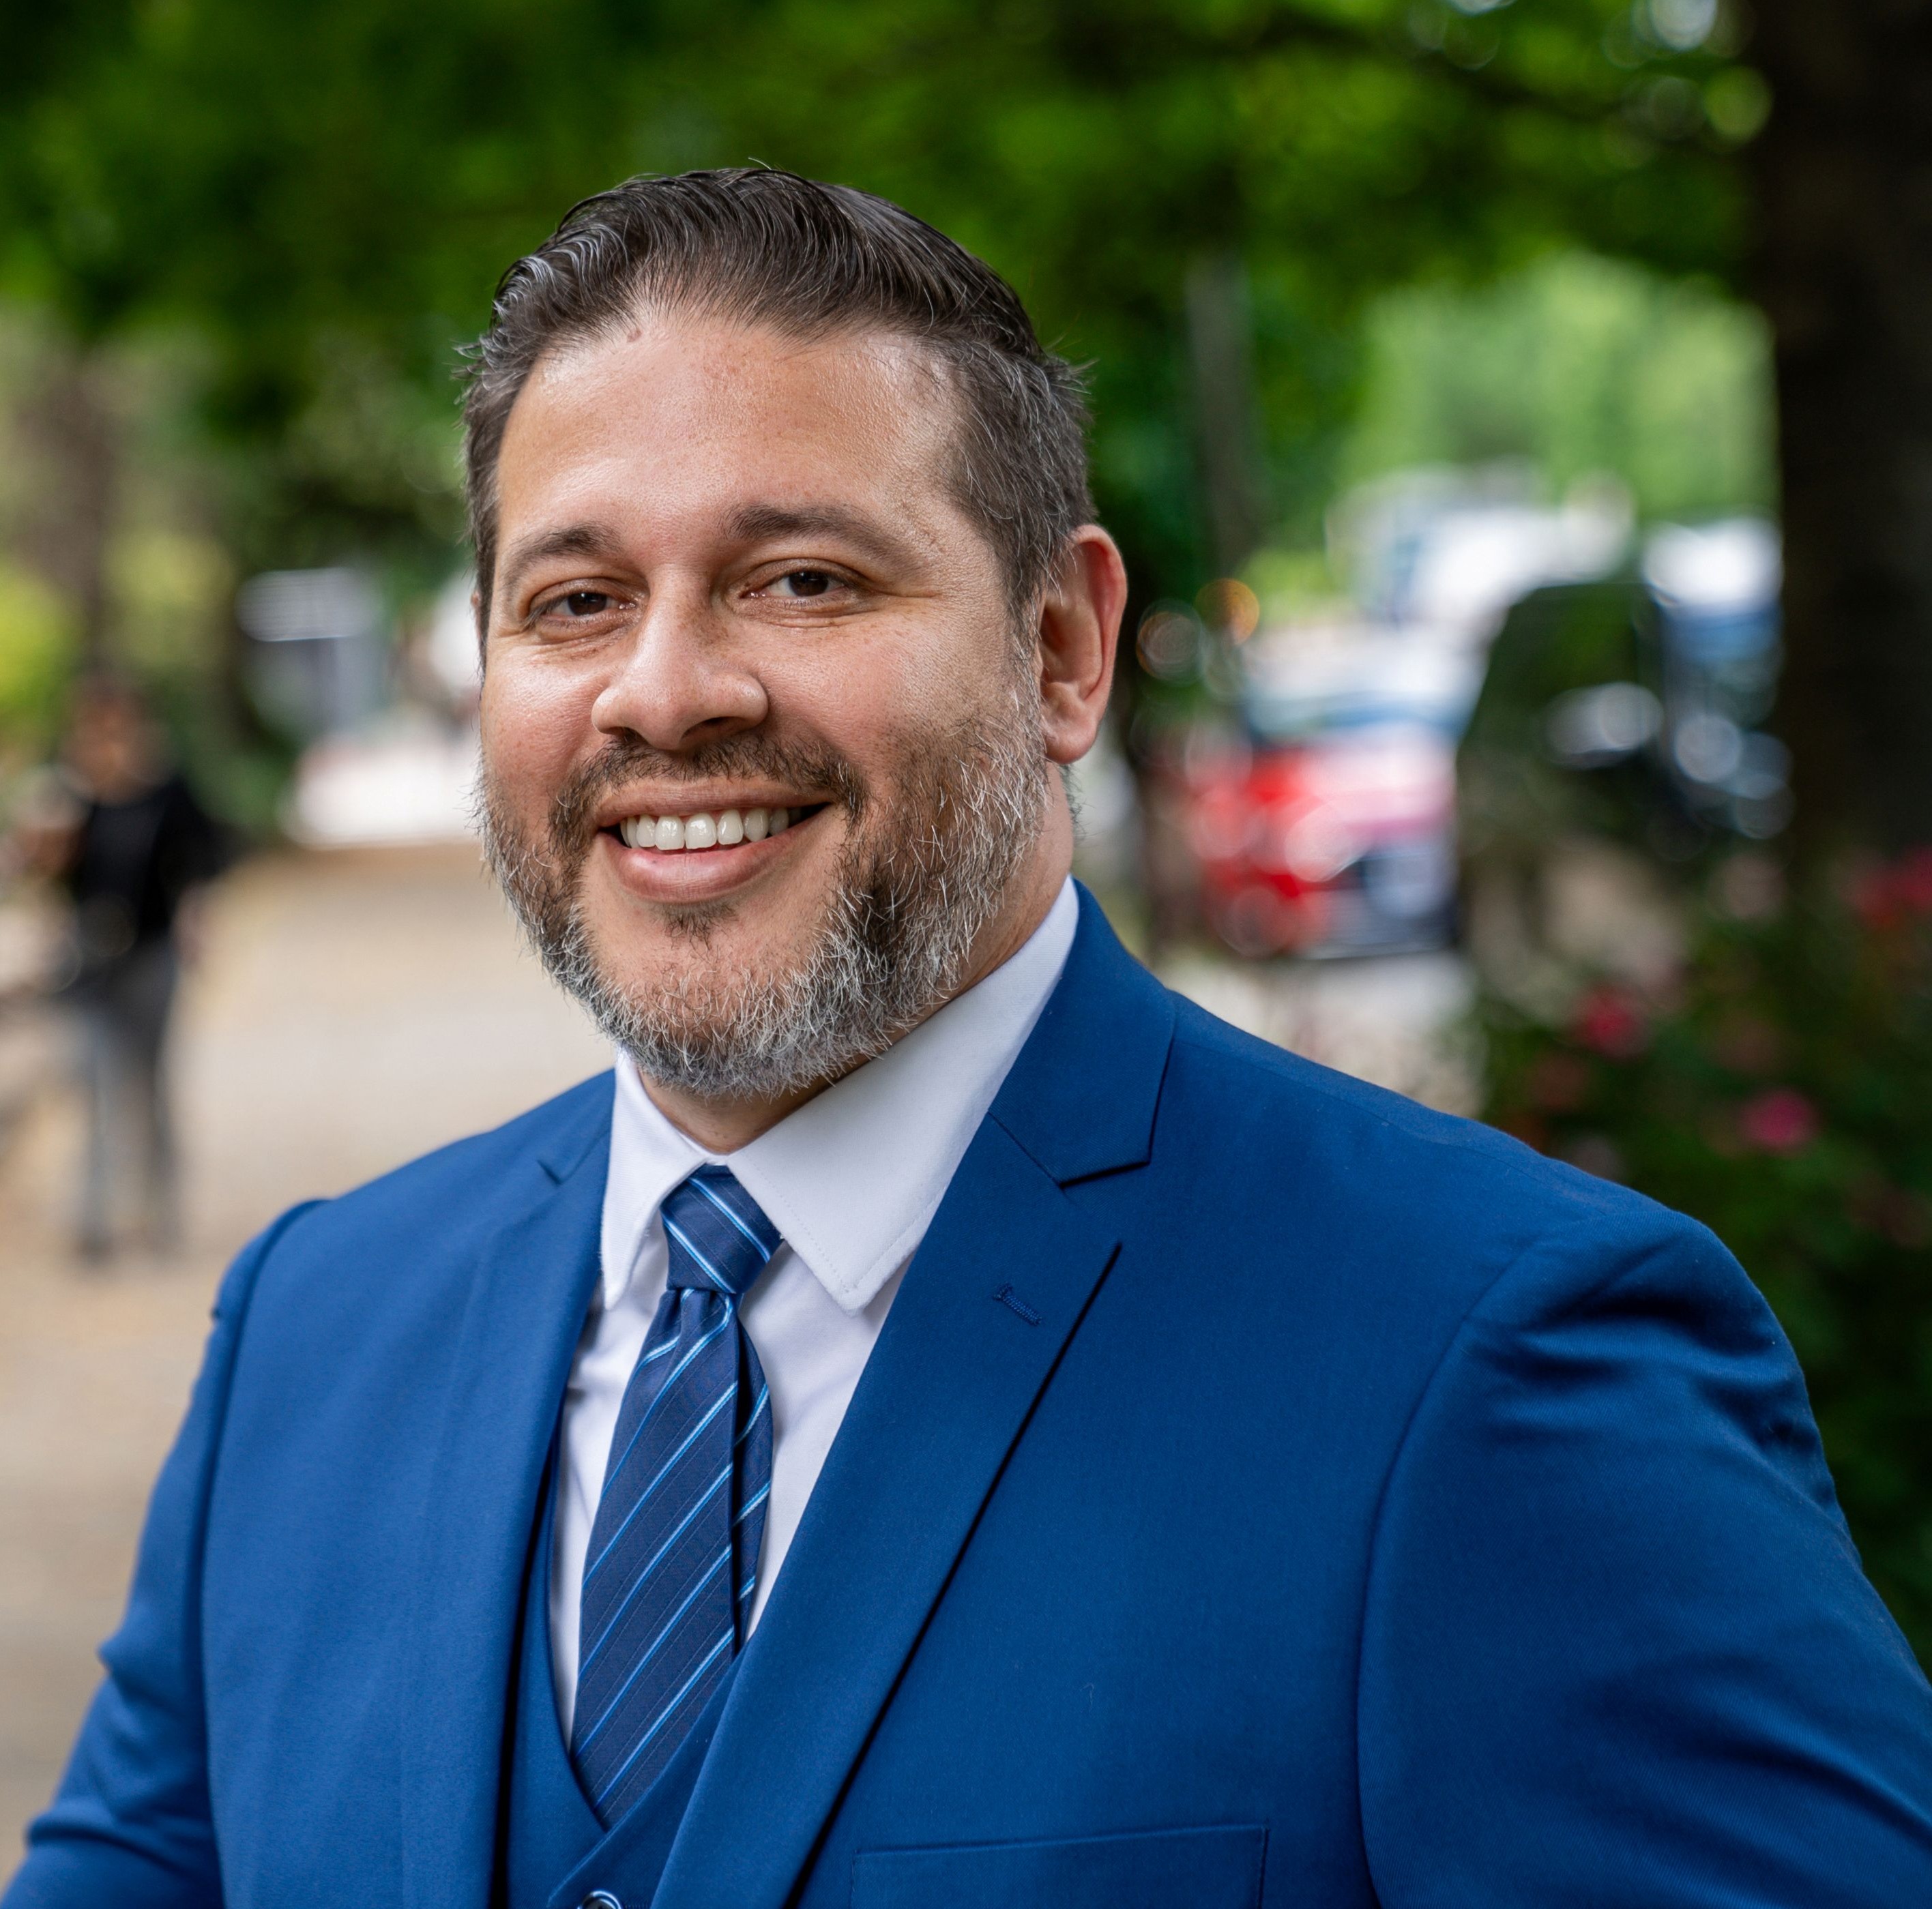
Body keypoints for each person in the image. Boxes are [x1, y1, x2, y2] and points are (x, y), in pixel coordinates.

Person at [8, 170, 1930, 1909]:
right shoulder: (312, 1333)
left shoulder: (1490, 1360)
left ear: (1062, 648)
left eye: (802, 578)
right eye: (575, 600)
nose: (664, 692)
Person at [48, 678, 224, 1259]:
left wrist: (195, 921)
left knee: (152, 1086)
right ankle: (94, 1219)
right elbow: (52, 877)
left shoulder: (166, 788)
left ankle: (161, 1215)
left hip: (151, 953)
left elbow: (202, 859)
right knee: (95, 1085)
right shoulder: (70, 794)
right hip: (90, 963)